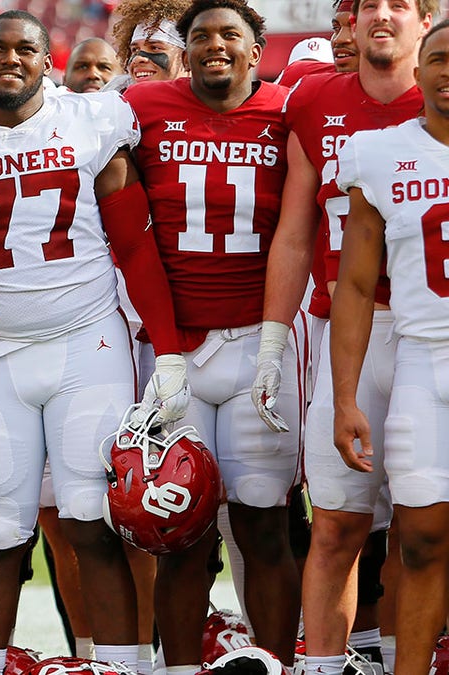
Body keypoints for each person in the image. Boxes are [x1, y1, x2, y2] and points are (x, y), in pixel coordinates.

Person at [0, 10, 186, 671]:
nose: (9, 59)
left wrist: (166, 352)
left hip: (88, 342)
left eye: (25, 48)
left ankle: (120, 665)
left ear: (46, 63)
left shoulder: (91, 121)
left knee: (94, 520)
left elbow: (137, 247)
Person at [257, 0, 435, 672]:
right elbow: (296, 232)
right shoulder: (313, 100)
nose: (379, 15)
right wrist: (274, 342)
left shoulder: (441, 94)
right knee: (335, 521)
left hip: (430, 328)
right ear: (349, 24)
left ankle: (405, 659)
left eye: (398, 3)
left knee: (425, 524)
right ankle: (325, 667)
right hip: (348, 331)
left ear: (426, 20)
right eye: (366, 6)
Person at [123, 0, 301, 668]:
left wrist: (279, 344)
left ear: (257, 50)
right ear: (184, 50)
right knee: (182, 531)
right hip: (179, 349)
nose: (215, 46)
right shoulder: (139, 107)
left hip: (261, 341)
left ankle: (275, 663)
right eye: (200, 36)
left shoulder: (289, 110)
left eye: (230, 35)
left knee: (263, 522)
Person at [332, 20, 449, 673]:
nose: (446, 70)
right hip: (420, 358)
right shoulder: (378, 152)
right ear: (419, 68)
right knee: (422, 538)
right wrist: (345, 396)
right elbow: (353, 284)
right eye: (436, 58)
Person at [109, 0, 191, 85]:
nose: (137, 58)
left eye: (155, 48)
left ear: (188, 59)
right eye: (135, 50)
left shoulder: (204, 97)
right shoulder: (111, 96)